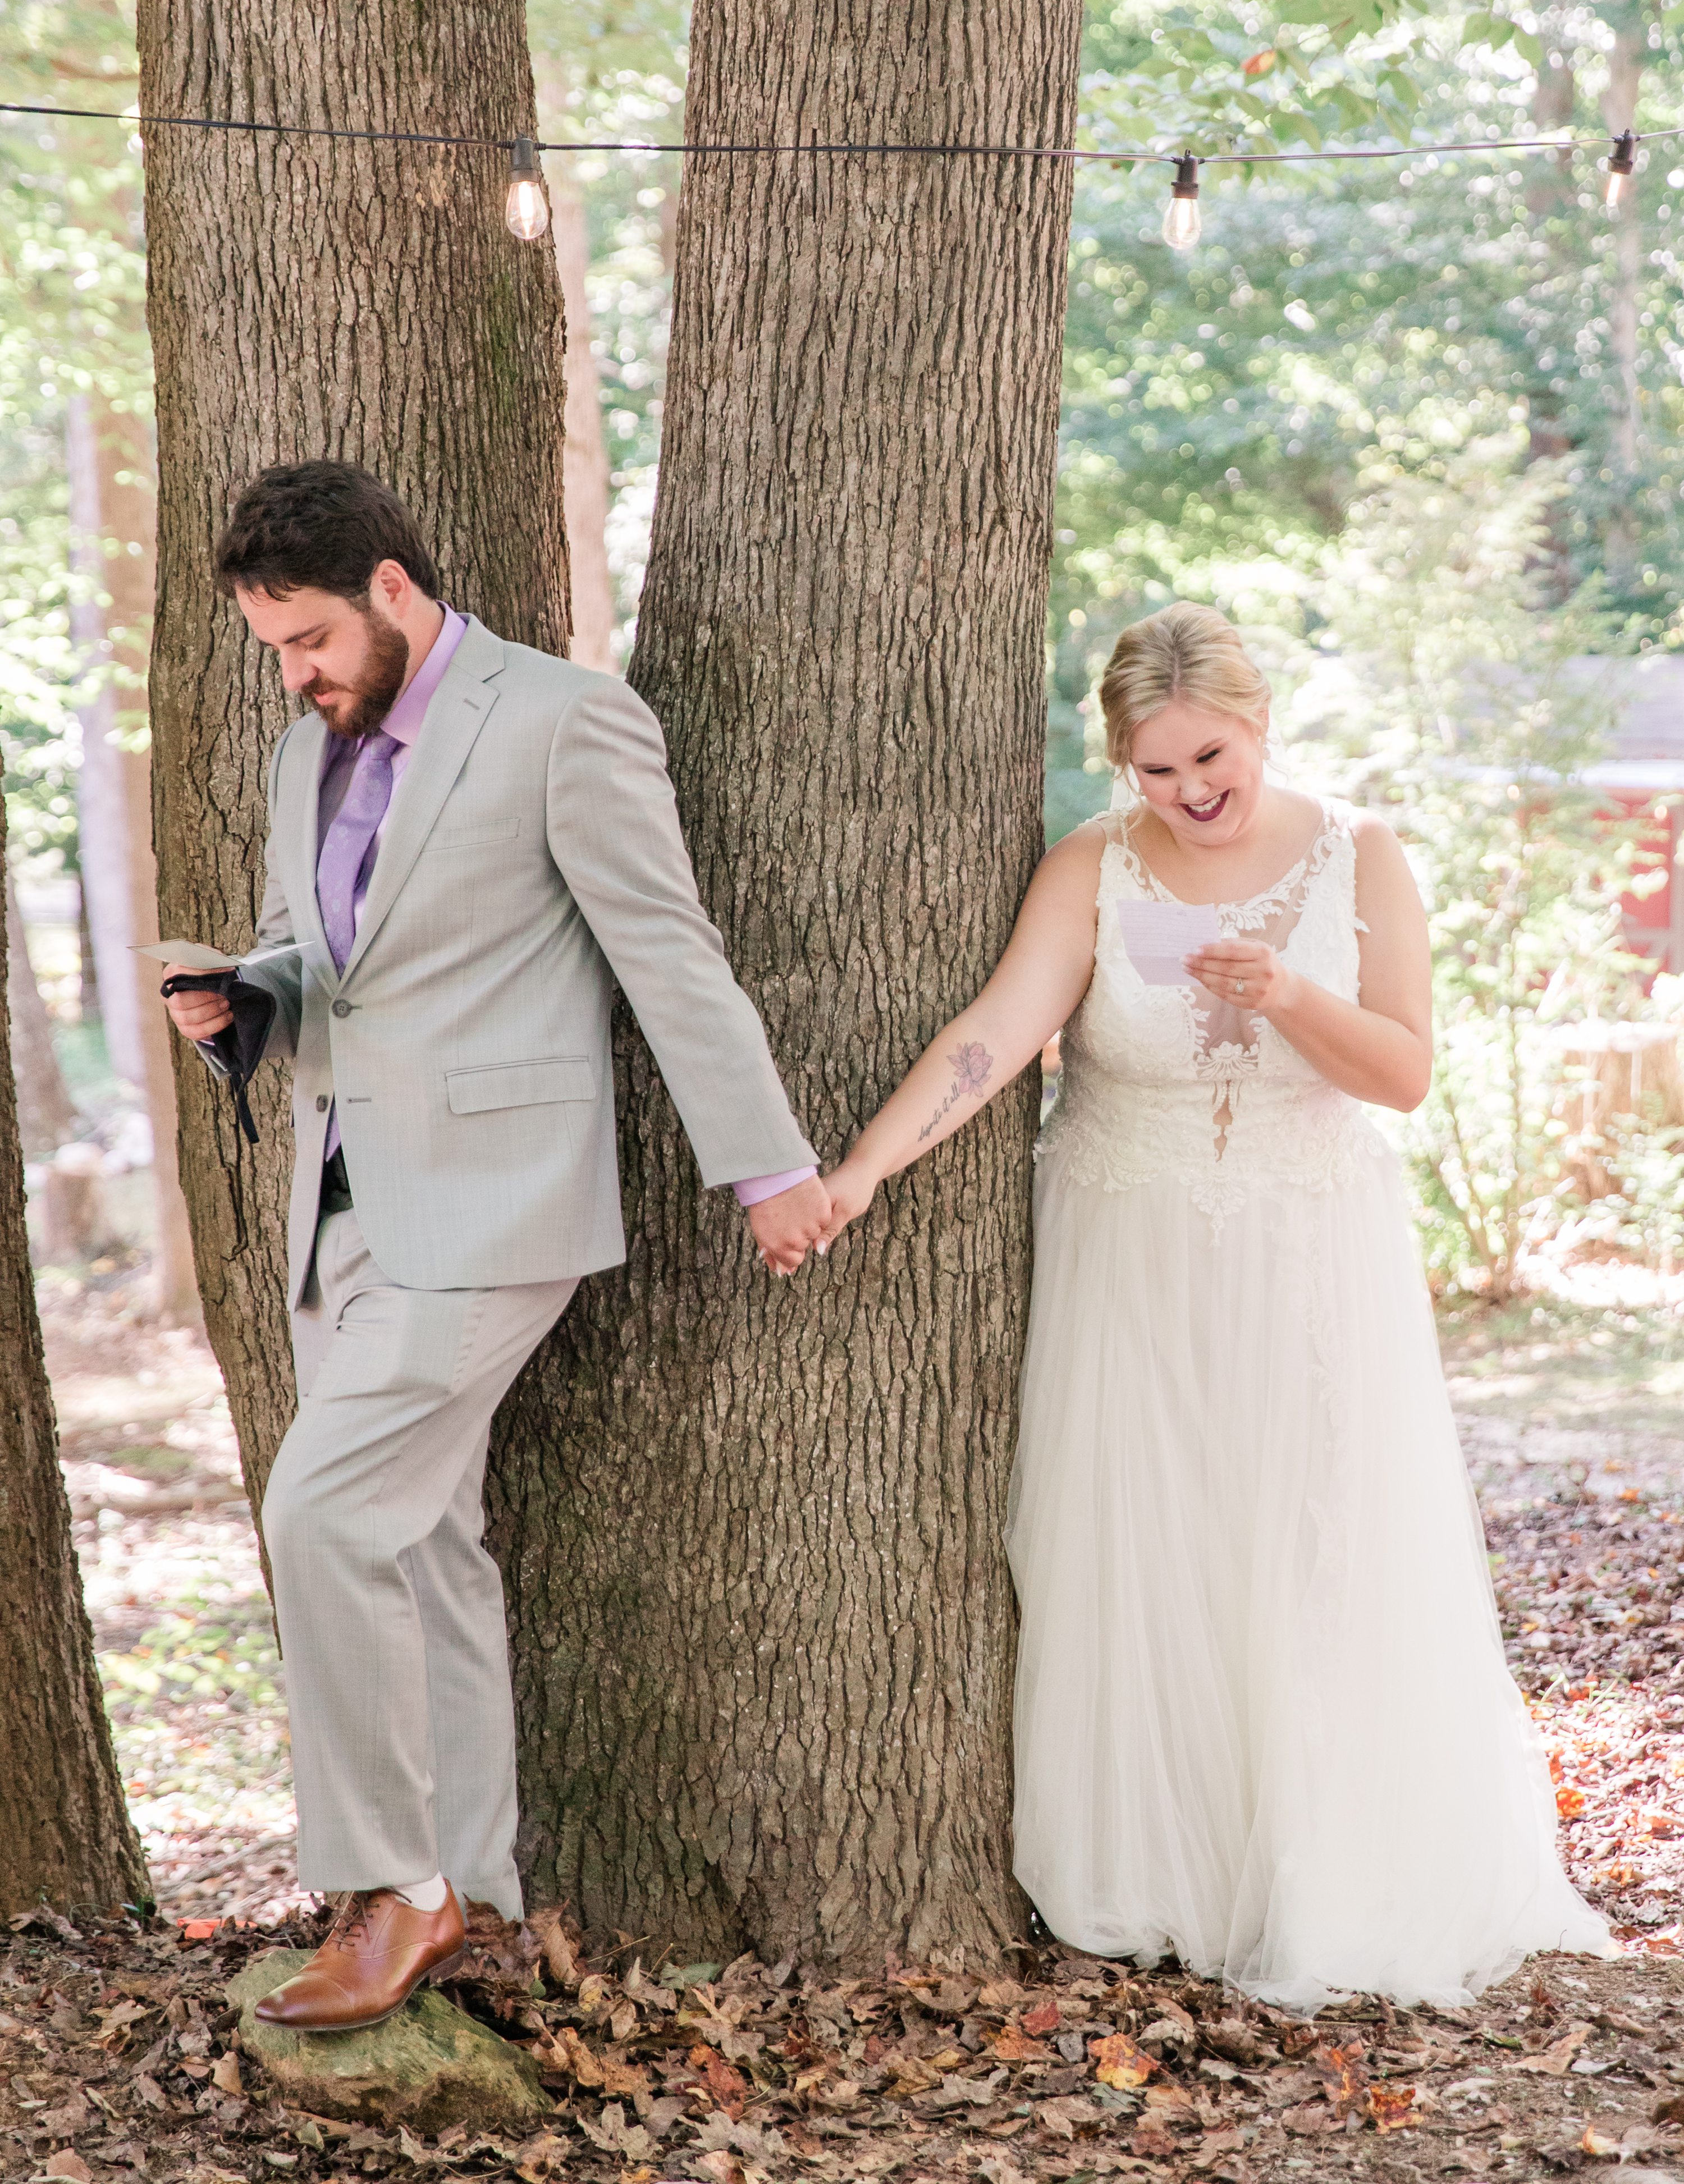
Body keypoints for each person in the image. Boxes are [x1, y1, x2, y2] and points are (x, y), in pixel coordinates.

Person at [818, 601, 1610, 2009]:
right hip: (1130, 1257)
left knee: (1313, 1548)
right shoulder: (1095, 866)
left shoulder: (1355, 853)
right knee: (1145, 1550)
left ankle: (1323, 1866)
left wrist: (1293, 994)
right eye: (1158, 770)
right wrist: (867, 1168)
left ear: (1258, 724)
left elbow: (1406, 1075)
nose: (1191, 793)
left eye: (1212, 759)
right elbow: (998, 1033)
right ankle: (1171, 1871)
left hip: (1313, 1258)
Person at [164, 460, 829, 2032]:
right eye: (272, 646)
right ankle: (485, 1888)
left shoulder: (561, 718)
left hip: (498, 1201)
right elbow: (321, 956)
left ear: (395, 587)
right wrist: (248, 996)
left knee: (322, 1510)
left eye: (310, 636)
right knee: (423, 1544)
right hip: (338, 1203)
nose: (295, 672)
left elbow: (667, 950)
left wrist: (770, 1166)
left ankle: (393, 1887)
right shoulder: (297, 750)